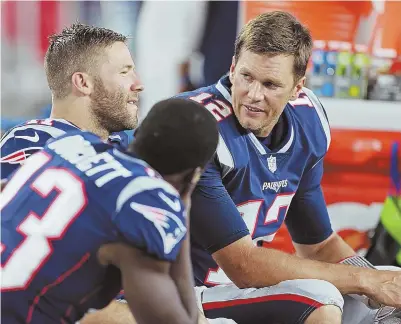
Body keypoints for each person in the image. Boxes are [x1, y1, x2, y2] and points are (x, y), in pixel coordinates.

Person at [95, 11, 401, 324]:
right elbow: (243, 264)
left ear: (298, 88)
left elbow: (319, 245)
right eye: (246, 77)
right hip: (179, 292)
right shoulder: (199, 127)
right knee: (320, 299)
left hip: (230, 290)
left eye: (270, 84)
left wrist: (378, 281)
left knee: (389, 281)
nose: (254, 95)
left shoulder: (307, 121)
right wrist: (366, 281)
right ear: (231, 68)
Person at [0, 98, 219, 324]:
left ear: (140, 131)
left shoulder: (73, 143)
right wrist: (182, 209)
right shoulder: (145, 201)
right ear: (193, 175)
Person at [0, 23, 143, 179]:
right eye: (124, 72)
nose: (138, 85)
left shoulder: (120, 142)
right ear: (83, 83)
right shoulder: (34, 144)